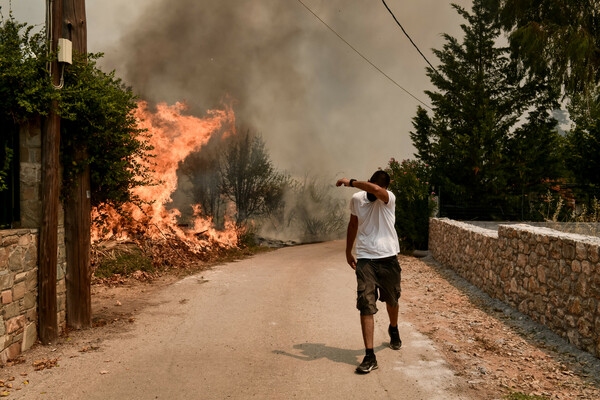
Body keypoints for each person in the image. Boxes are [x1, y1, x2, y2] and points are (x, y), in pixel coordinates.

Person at [336, 170, 402, 374]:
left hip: (388, 258)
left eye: (380, 188)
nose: (376, 191)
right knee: (365, 303)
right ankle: (370, 355)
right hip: (366, 259)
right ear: (370, 181)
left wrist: (350, 182)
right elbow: (353, 224)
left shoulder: (388, 198)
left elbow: (375, 190)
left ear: (385, 189)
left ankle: (393, 328)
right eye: (374, 186)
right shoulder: (357, 198)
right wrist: (348, 251)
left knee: (392, 300)